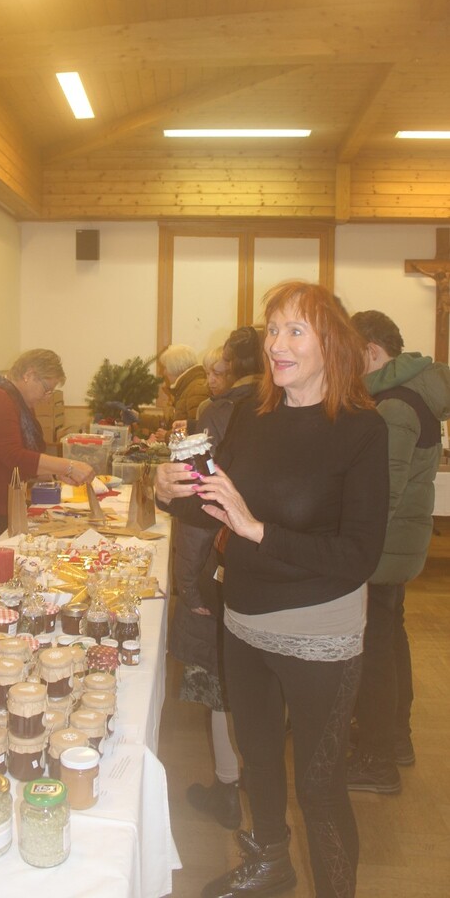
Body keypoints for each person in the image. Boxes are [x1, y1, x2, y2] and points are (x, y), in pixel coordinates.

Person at [156, 281, 389, 898]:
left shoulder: (362, 431)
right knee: (257, 760)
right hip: (244, 624)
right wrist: (169, 494)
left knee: (318, 785)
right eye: (273, 330)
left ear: (330, 345)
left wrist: (258, 531)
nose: (276, 344)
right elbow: (219, 510)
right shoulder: (254, 418)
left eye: (294, 330)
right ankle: (270, 865)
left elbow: (358, 557)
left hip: (320, 634)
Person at [346, 310, 450, 793]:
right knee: (389, 639)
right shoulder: (412, 392)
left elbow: (381, 494)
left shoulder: (395, 405)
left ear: (371, 351)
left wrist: (354, 548)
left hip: (383, 547)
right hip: (397, 544)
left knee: (375, 651)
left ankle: (377, 759)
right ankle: (395, 740)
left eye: (351, 354)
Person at [169, 325, 263, 830]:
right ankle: (253, 783)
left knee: (219, 679)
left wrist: (188, 585)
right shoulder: (287, 409)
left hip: (219, 564)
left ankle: (227, 788)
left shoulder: (219, 413)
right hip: (267, 569)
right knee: (256, 683)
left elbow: (196, 511)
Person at [0, 349, 94, 565]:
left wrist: (55, 472)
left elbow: (26, 456)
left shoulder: (16, 402)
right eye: (47, 389)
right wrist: (68, 466)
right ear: (29, 375)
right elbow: (14, 456)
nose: (47, 397)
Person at [154, 344, 209, 440]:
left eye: (165, 368)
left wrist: (167, 436)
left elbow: (198, 431)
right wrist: (139, 418)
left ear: (175, 368)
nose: (164, 372)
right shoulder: (187, 388)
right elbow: (170, 422)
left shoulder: (196, 389)